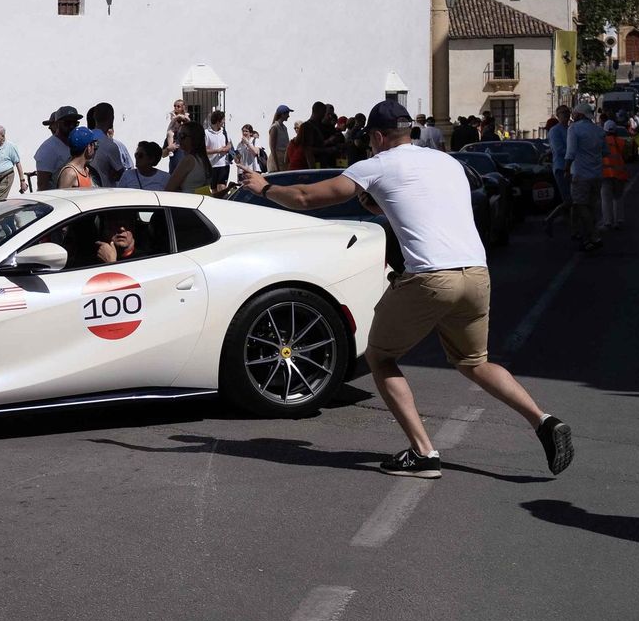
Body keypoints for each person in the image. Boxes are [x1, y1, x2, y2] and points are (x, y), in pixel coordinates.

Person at [239, 100, 574, 479]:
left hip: (430, 276)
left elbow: (305, 197)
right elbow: (426, 209)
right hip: (476, 272)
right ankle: (543, 420)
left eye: (370, 139)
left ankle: (424, 453)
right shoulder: (447, 162)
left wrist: (264, 187)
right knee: (475, 363)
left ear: (378, 136)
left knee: (380, 357)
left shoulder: (376, 165)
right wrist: (381, 206)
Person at [565, 100, 606, 252]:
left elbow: (570, 152)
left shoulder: (574, 129)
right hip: (597, 174)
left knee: (581, 205)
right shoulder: (599, 130)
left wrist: (566, 169)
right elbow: (605, 152)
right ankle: (588, 238)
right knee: (591, 206)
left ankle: (594, 235)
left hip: (580, 174)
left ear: (580, 115)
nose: (573, 116)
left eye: (575, 114)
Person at [543, 104, 573, 237]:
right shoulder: (555, 131)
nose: (566, 114)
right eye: (563, 112)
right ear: (558, 115)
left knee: (571, 200)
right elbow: (558, 150)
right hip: (561, 168)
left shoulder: (570, 129)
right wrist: (574, 151)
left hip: (571, 168)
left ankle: (572, 227)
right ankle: (549, 219)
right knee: (568, 200)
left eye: (567, 112)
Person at [34, 106, 80, 190]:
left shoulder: (76, 143)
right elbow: (42, 186)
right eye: (67, 123)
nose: (71, 126)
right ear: (58, 123)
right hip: (60, 197)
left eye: (75, 123)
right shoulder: (48, 149)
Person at [86, 103, 128, 187]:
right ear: (112, 118)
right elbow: (122, 176)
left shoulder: (84, 139)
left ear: (94, 117)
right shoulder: (110, 146)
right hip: (105, 192)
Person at [164, 120, 212, 193]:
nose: (179, 139)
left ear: (194, 138)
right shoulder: (203, 159)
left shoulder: (189, 160)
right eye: (178, 135)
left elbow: (169, 189)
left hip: (187, 198)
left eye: (182, 136)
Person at [600, 120, 630, 229]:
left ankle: (607, 222)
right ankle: (619, 220)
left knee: (606, 199)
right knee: (618, 198)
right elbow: (626, 157)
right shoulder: (621, 142)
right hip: (619, 175)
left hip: (605, 175)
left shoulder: (601, 142)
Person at [0, 125, 27, 201]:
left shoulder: (10, 146)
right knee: (0, 200)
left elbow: (18, 163)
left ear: (2, 135)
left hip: (6, 176)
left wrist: (22, 181)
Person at [204, 109, 233, 188]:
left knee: (222, 187)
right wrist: (218, 150)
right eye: (223, 120)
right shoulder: (206, 133)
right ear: (218, 121)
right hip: (212, 165)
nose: (224, 122)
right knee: (213, 189)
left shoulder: (224, 132)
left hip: (224, 164)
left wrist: (226, 148)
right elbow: (204, 150)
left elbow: (229, 144)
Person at [163, 98, 190, 170]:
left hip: (187, 171)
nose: (175, 108)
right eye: (174, 106)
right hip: (174, 171)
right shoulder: (171, 137)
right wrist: (168, 149)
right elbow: (163, 155)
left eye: (178, 106)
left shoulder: (189, 137)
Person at [268, 106, 291, 171]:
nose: (288, 116)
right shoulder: (275, 127)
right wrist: (277, 166)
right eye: (287, 114)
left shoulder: (284, 128)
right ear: (282, 114)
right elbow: (272, 148)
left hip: (283, 160)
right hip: (276, 161)